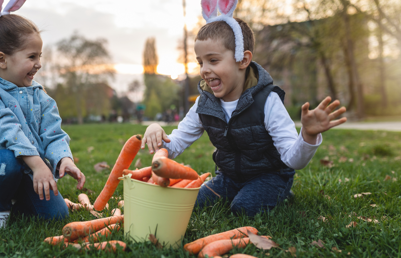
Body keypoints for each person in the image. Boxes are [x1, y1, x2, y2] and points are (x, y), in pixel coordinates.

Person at [141, 1, 347, 217]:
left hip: (270, 175)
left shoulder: (267, 101)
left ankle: (282, 192)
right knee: (194, 203)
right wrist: (157, 132)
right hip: (229, 177)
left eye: (213, 60)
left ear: (243, 60)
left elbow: (293, 160)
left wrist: (308, 135)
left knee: (244, 208)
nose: (204, 70)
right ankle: (241, 190)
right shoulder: (205, 104)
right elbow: (174, 146)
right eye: (200, 62)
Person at [0, 0, 85, 228]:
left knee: (56, 216)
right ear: (2, 59)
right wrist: (39, 165)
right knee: (7, 160)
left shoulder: (40, 95)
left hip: (29, 172)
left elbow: (53, 133)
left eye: (40, 56)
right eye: (31, 57)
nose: (38, 64)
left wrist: (64, 158)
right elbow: (7, 129)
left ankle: (17, 204)